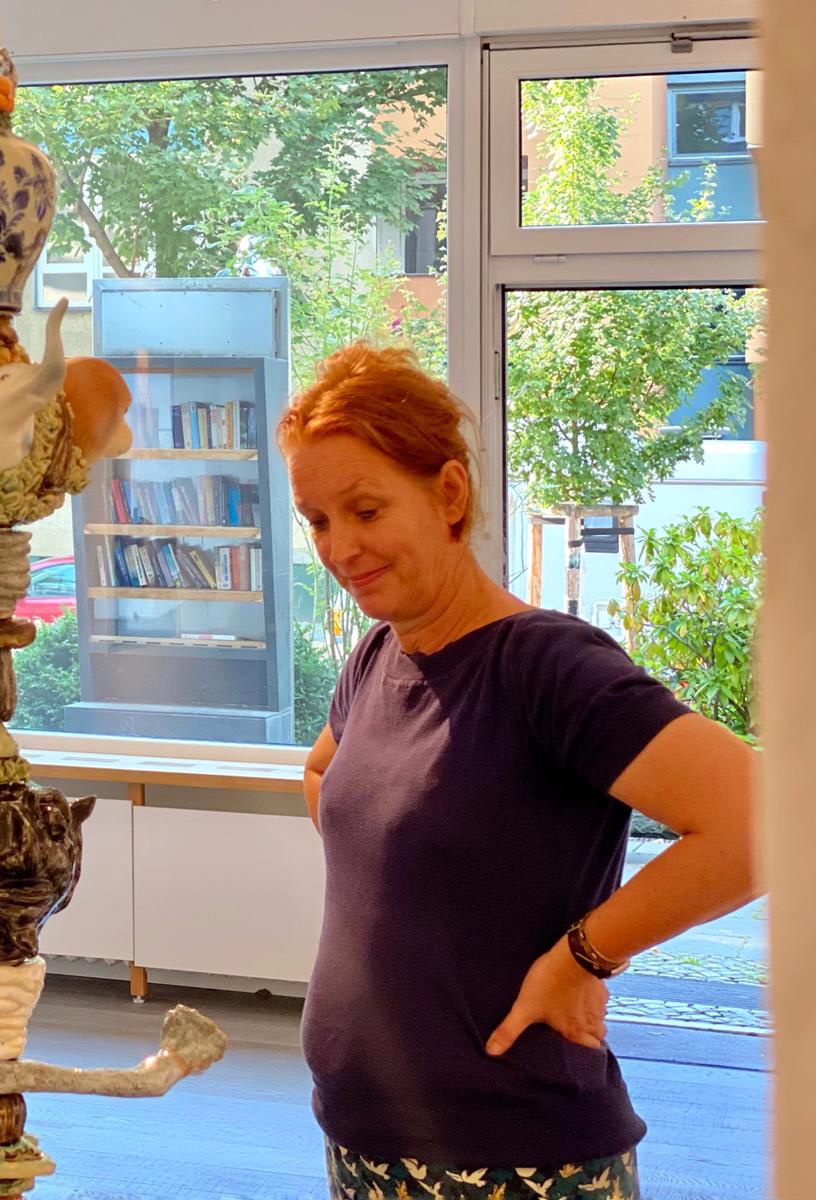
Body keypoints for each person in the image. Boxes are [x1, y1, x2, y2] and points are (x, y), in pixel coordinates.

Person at [280, 343, 758, 1200]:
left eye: (365, 509)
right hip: (362, 1141)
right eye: (316, 520)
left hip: (514, 1162)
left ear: (449, 495)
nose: (340, 547)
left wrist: (584, 956)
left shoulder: (545, 666)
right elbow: (326, 775)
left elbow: (759, 825)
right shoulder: (379, 655)